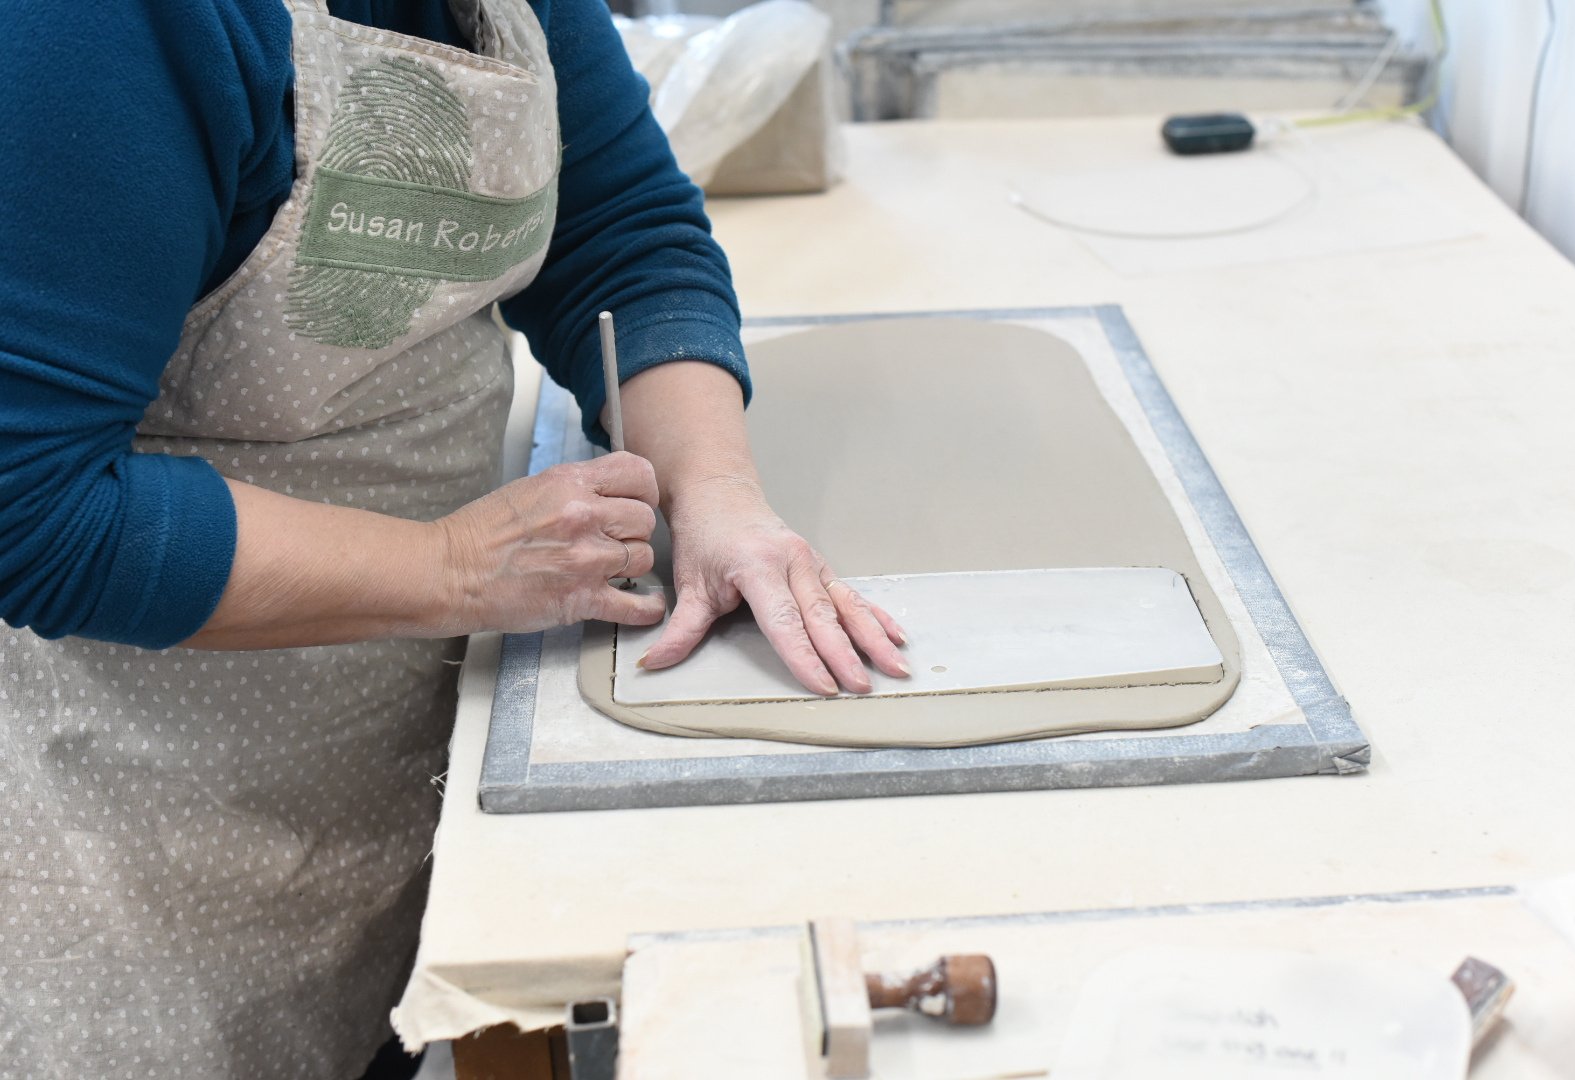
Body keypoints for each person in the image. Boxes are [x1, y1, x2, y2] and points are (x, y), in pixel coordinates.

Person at [0, 2, 908, 1077]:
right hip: (153, 826)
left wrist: (716, 492)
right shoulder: (101, 30)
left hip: (409, 738)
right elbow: (32, 506)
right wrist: (450, 568)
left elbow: (621, 237)